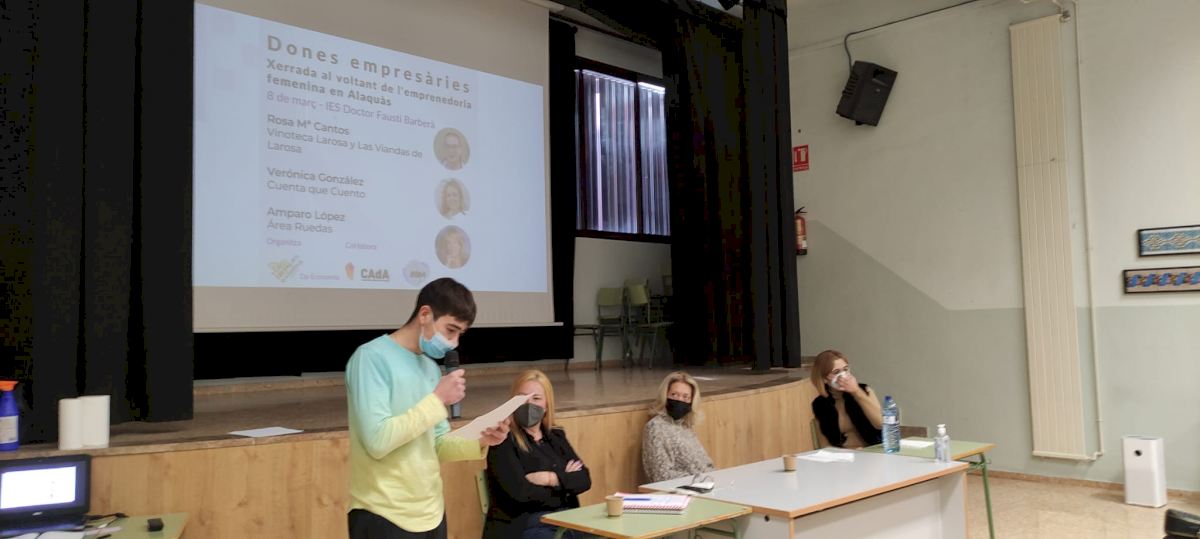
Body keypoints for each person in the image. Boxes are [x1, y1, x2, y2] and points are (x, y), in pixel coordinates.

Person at [345, 277, 509, 539]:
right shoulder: (371, 358)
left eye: (460, 334)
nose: (454, 342)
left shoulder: (431, 369)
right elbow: (378, 440)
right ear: (425, 314)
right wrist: (437, 399)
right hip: (383, 513)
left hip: (431, 512)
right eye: (450, 330)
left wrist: (481, 439)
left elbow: (438, 444)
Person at [484, 370, 591, 539]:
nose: (529, 404)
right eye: (522, 398)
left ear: (547, 405)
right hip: (523, 526)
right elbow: (521, 494)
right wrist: (565, 487)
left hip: (564, 521)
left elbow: (584, 479)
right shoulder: (502, 440)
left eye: (536, 398)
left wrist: (550, 479)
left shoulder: (556, 436)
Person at [641, 371, 714, 483]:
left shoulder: (685, 425)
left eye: (685, 397)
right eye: (674, 395)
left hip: (705, 484)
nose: (680, 400)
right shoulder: (655, 428)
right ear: (665, 395)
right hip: (682, 489)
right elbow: (661, 475)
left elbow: (705, 463)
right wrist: (700, 480)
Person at [810, 349, 882, 449]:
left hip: (872, 451)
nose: (843, 375)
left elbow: (881, 423)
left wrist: (856, 392)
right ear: (824, 379)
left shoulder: (864, 390)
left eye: (845, 369)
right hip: (843, 454)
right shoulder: (820, 404)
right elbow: (825, 444)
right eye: (836, 372)